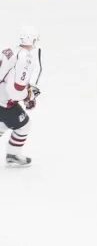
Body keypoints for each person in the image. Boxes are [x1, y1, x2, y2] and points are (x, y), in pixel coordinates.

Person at [0, 28, 42, 168]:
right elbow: (15, 90)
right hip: (3, 101)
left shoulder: (8, 49)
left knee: (4, 123)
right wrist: (28, 97)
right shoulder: (25, 58)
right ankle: (12, 155)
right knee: (24, 125)